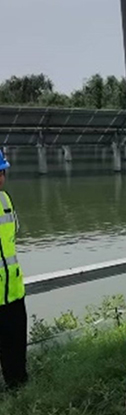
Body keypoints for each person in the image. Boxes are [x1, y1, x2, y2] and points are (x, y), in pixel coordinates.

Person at [0, 149, 28, 390]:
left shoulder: (5, 200)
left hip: (13, 293)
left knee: (16, 350)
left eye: (2, 172)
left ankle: (19, 392)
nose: (1, 178)